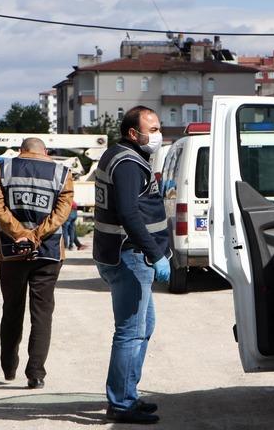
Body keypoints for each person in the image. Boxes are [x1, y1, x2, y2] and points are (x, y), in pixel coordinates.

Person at [93, 106, 172, 424]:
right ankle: (121, 403)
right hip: (130, 256)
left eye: (158, 128)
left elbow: (133, 202)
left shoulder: (120, 156)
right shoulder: (126, 163)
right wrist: (155, 253)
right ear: (132, 133)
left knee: (144, 327)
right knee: (130, 332)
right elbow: (128, 212)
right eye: (151, 129)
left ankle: (128, 394)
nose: (157, 134)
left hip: (123, 254)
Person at [0, 137, 73, 390]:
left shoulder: (2, 169)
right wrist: (36, 235)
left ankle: (8, 366)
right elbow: (62, 213)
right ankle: (35, 374)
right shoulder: (62, 173)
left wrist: (20, 234)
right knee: (42, 314)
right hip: (47, 253)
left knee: (12, 309)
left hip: (11, 252)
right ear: (45, 152)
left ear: (20, 152)